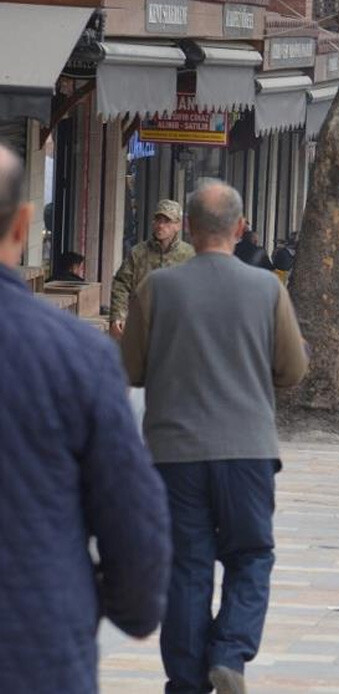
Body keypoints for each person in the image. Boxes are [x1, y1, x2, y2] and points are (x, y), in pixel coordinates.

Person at [121, 180, 309, 694]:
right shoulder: (267, 287)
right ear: (241, 228)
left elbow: (131, 368)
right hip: (247, 447)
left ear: (187, 228)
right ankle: (229, 652)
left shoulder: (157, 288)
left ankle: (184, 680)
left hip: (173, 451)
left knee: (186, 564)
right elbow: (292, 370)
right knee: (250, 555)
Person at [0, 144, 171, 694]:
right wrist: (125, 605)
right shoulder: (75, 356)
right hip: (34, 646)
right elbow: (130, 515)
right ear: (25, 224)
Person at [109, 198, 195, 338]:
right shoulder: (138, 253)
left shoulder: (189, 255)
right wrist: (118, 315)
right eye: (158, 220)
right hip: (140, 326)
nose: (161, 225)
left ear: (178, 225)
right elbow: (121, 284)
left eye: (167, 221)